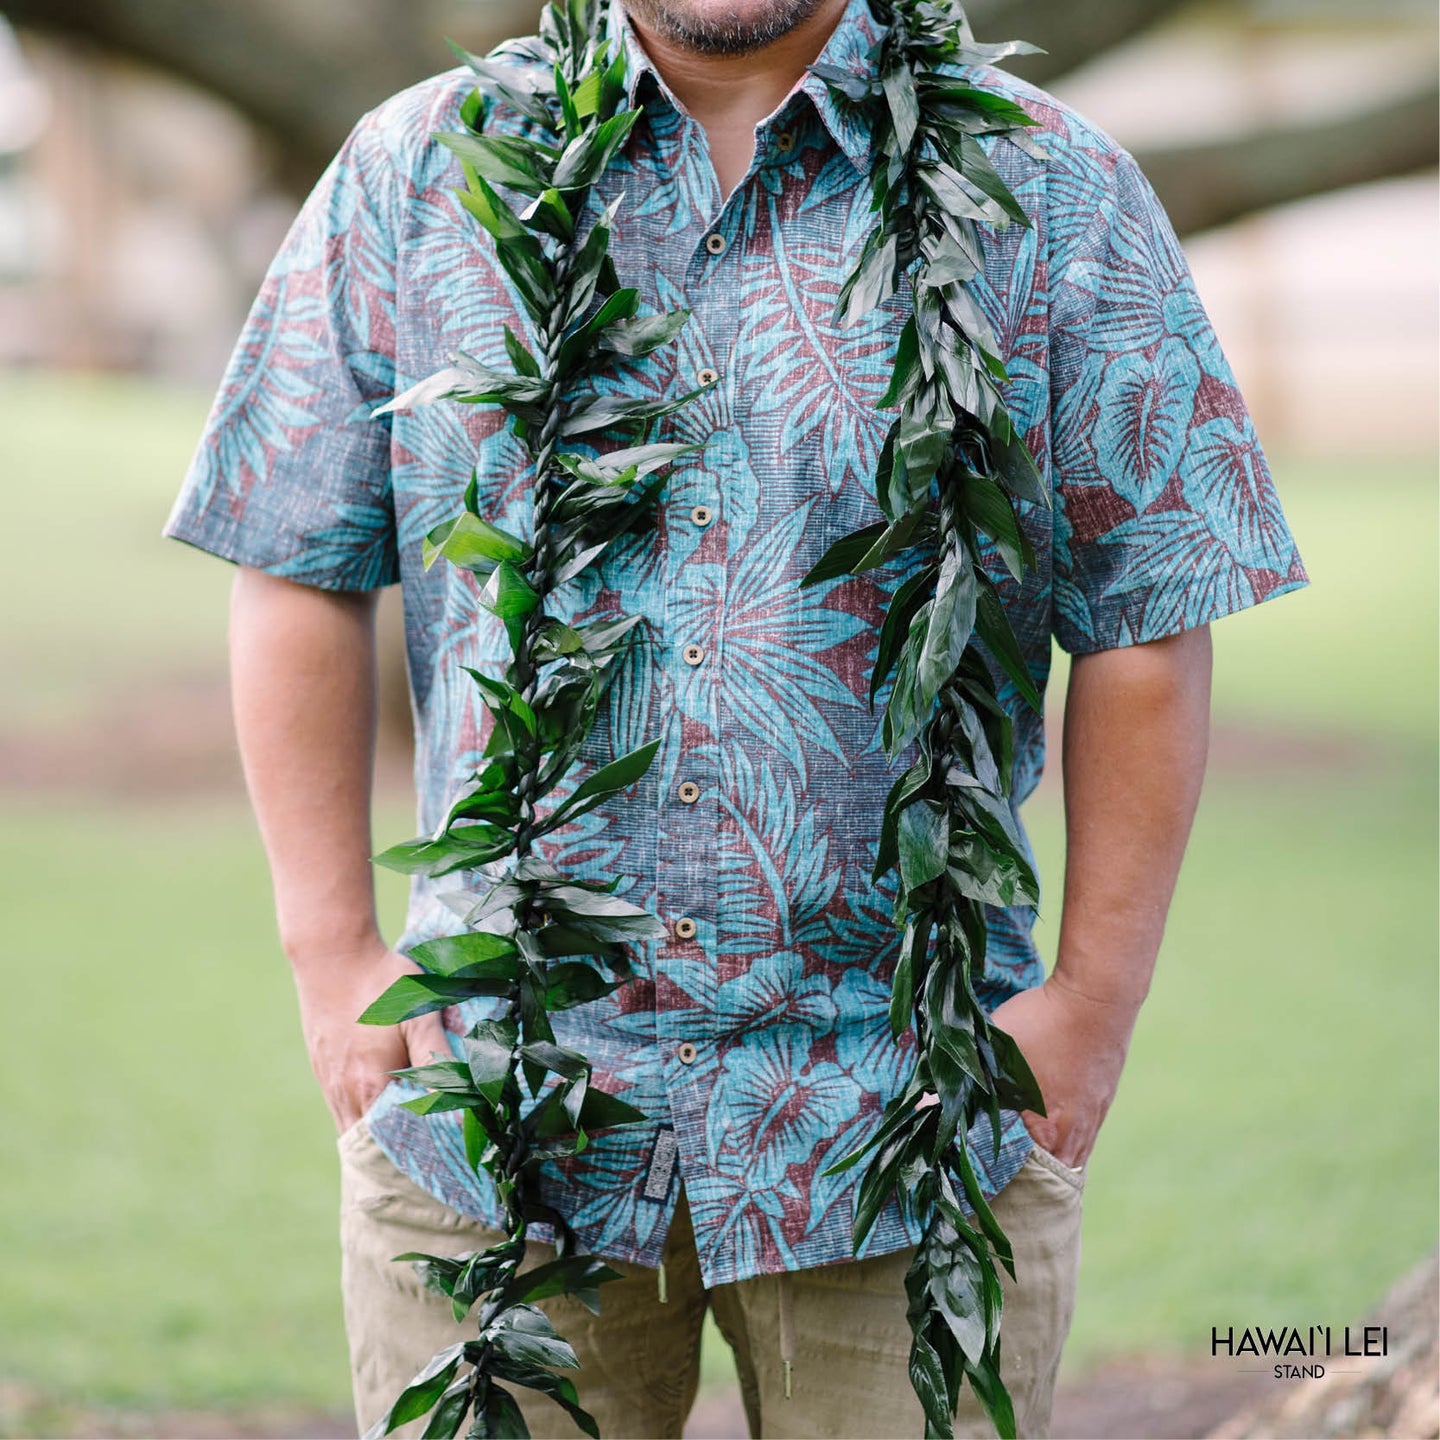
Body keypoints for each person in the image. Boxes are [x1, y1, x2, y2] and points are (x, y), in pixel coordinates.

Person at [162, 0, 1309, 1432]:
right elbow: (293, 561)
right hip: (501, 1106)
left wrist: (1092, 1004)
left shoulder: (1054, 190)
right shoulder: (419, 172)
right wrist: (331, 951)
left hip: (910, 1113)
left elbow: (1147, 619)